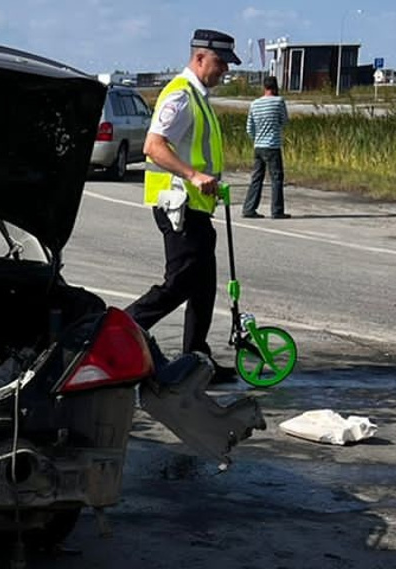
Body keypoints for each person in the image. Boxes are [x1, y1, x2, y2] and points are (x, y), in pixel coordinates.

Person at [125, 28, 238, 369]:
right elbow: (153, 146)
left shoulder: (199, 95)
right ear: (200, 57)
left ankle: (197, 361)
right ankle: (117, 331)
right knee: (179, 284)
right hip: (178, 206)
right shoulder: (180, 96)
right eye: (220, 62)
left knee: (204, 286)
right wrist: (193, 175)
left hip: (197, 207)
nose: (225, 70)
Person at [243, 77, 290, 219]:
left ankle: (249, 208)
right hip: (272, 145)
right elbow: (284, 121)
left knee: (257, 177)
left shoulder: (255, 104)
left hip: (258, 145)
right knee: (276, 178)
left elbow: (249, 127)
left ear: (264, 87)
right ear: (275, 87)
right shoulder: (278, 102)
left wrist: (256, 138)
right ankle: (277, 210)